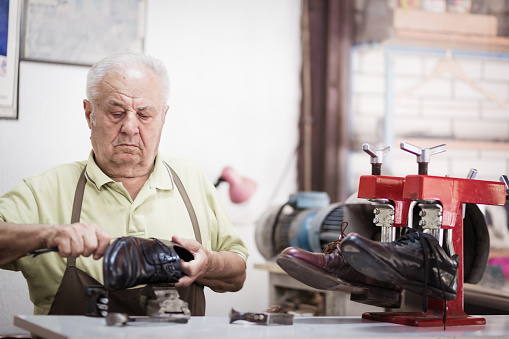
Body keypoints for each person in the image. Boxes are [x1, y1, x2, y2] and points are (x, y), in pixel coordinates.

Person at [0, 52, 249, 316]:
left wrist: (208, 264)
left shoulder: (192, 181)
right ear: (89, 114)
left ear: (163, 117)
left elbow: (237, 274)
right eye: (116, 112)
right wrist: (46, 234)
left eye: (144, 115)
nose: (130, 127)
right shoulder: (43, 190)